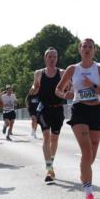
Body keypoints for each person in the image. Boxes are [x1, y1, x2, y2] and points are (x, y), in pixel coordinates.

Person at [57, 38, 100, 199]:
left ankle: (84, 175)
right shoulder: (73, 69)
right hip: (79, 109)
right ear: (79, 50)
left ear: (94, 50)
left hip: (96, 111)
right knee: (86, 151)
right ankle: (88, 193)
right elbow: (58, 89)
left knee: (91, 155)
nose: (87, 49)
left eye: (90, 47)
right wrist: (64, 94)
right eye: (84, 47)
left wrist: (94, 86)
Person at [29, 47, 65, 182]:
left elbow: (70, 86)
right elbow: (35, 86)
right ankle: (49, 169)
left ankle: (51, 163)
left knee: (54, 139)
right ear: (45, 58)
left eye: (54, 57)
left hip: (57, 109)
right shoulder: (39, 73)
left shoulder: (62, 73)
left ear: (57, 59)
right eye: (49, 56)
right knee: (46, 137)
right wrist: (33, 89)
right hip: (44, 108)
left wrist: (69, 91)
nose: (52, 59)